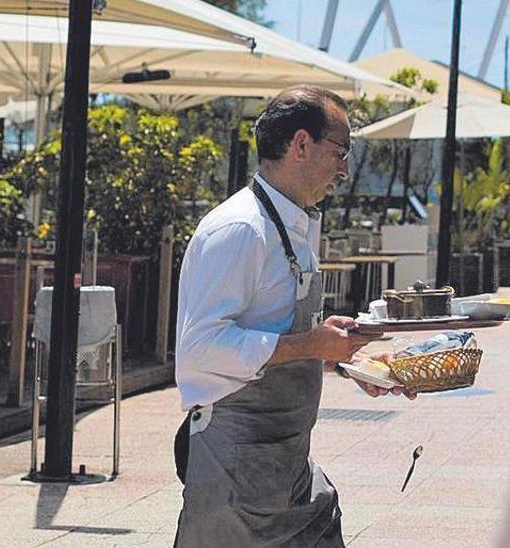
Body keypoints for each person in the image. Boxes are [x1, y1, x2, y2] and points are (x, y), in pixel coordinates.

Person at [173, 85, 410, 547]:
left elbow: (273, 337)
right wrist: (310, 345)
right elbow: (198, 351)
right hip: (237, 466)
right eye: (341, 151)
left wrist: (343, 360)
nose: (344, 170)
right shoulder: (240, 228)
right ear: (301, 145)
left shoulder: (294, 224)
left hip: (287, 462)